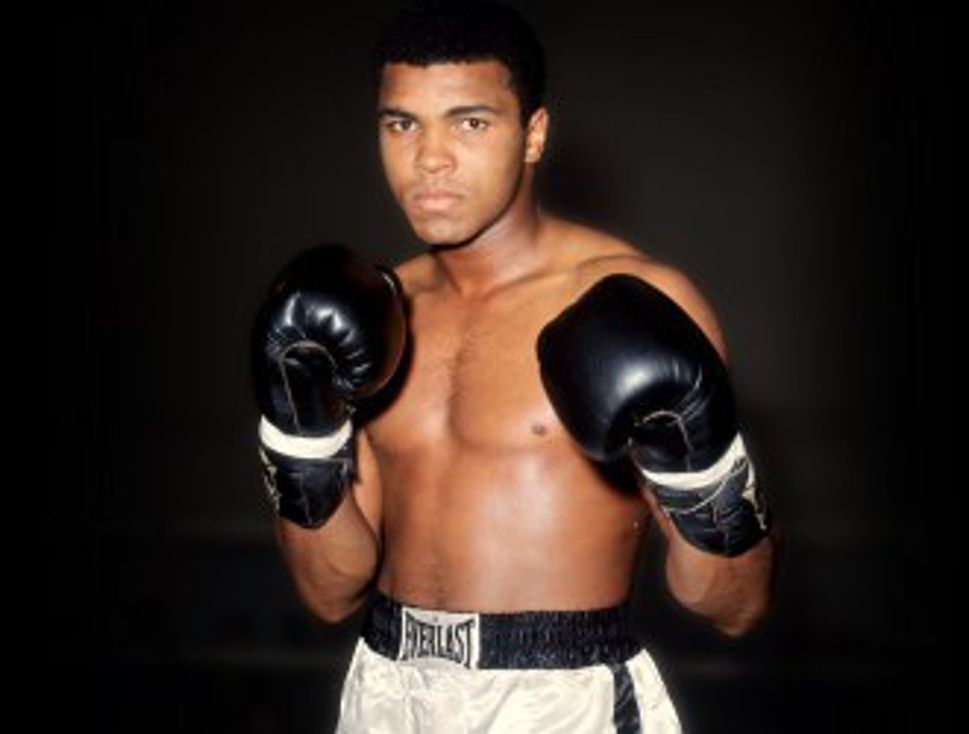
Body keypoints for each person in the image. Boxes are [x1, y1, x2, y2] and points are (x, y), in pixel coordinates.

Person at [250, 1, 777, 731]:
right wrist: (299, 435)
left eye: (469, 122)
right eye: (402, 124)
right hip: (385, 688)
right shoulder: (374, 313)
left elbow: (736, 605)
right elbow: (330, 592)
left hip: (564, 699)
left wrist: (700, 471)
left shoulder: (638, 299)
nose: (430, 158)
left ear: (533, 134)